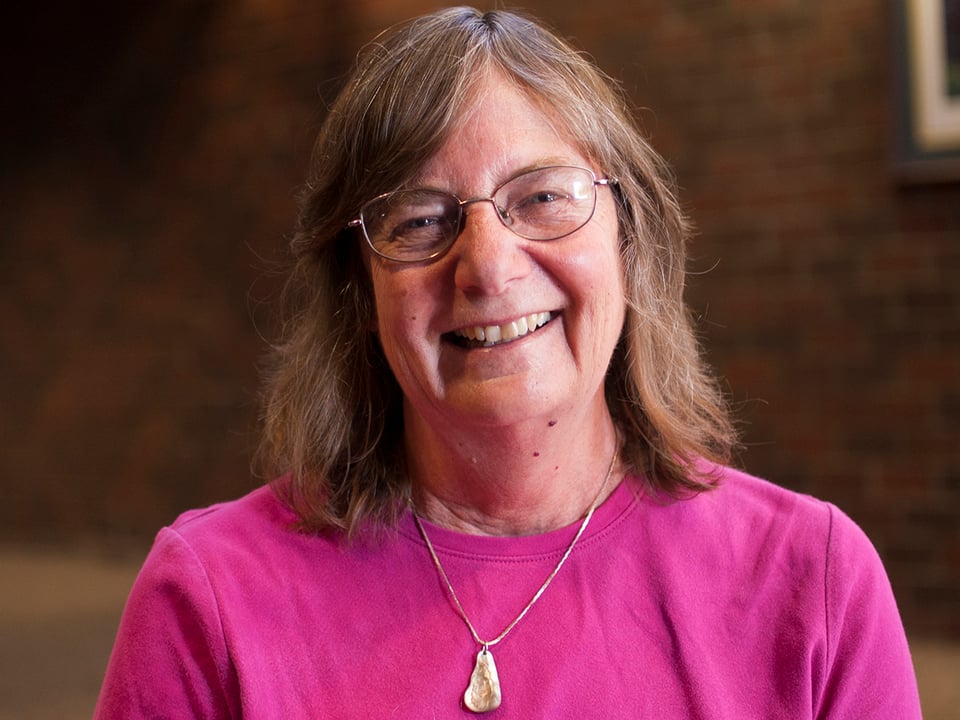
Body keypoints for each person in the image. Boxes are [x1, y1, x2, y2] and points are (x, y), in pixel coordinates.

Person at [95, 6, 921, 718]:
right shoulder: (208, 598)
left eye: (543, 197)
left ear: (629, 241)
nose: (487, 265)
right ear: (360, 288)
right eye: (419, 220)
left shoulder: (813, 584)